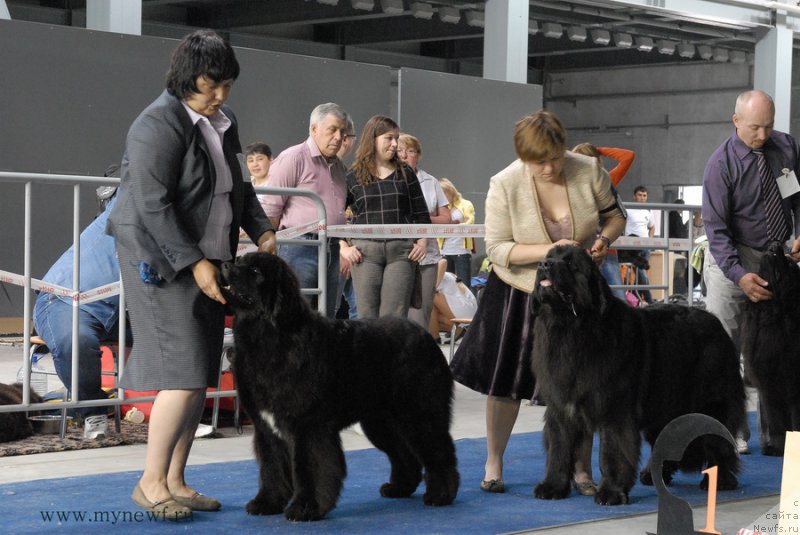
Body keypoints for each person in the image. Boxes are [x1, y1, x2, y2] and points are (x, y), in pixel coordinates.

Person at [106, 30, 276, 519]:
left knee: (199, 374)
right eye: (211, 85)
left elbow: (237, 185)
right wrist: (194, 262)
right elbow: (152, 205)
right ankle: (150, 482)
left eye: (227, 85)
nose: (220, 95)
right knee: (181, 373)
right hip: (161, 262)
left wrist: (260, 229)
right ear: (185, 78)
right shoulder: (155, 125)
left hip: (207, 258)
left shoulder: (223, 120)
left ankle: (176, 480)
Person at [449, 110, 626, 495]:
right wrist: (555, 249)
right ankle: (494, 463)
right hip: (517, 289)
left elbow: (615, 217)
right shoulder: (504, 183)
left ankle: (581, 470)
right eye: (538, 161)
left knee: (583, 382)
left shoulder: (589, 170)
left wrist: (603, 241)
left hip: (575, 295)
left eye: (555, 157)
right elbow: (497, 249)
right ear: (523, 157)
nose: (549, 167)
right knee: (505, 382)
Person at [702, 89, 800, 453]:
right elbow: (717, 231)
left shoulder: (787, 148)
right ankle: (728, 430)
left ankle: (775, 435)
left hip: (778, 260)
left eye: (769, 126)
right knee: (723, 352)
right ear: (736, 121)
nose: (763, 135)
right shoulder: (720, 165)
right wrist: (740, 275)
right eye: (755, 127)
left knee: (775, 352)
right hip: (732, 259)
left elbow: (798, 199)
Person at [33, 164, 132, 421]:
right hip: (65, 300)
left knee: (183, 337)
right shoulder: (128, 199)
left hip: (125, 309)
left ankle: (185, 412)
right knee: (77, 340)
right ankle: (92, 415)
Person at [339, 115, 431, 319]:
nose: (395, 144)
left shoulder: (405, 172)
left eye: (396, 138)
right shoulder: (352, 175)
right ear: (373, 139)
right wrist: (344, 247)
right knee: (367, 317)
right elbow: (337, 215)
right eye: (389, 138)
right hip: (364, 254)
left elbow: (421, 213)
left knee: (395, 319)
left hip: (401, 253)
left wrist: (422, 243)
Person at [263, 102, 350, 318]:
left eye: (342, 131)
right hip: (299, 248)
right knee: (293, 317)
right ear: (314, 129)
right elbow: (270, 211)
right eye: (332, 129)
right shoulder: (293, 158)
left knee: (326, 319)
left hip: (331, 249)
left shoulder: (340, 167)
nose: (339, 137)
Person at [398, 133, 450, 333]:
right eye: (399, 151)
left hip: (426, 257)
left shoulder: (430, 182)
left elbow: (446, 218)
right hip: (396, 254)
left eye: (409, 151)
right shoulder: (385, 179)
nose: (404, 155)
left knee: (420, 314)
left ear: (417, 156)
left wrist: (421, 219)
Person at [571, 144, 636, 301]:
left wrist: (596, 149)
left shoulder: (605, 180)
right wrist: (596, 152)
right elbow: (628, 156)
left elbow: (629, 155)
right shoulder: (604, 180)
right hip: (586, 250)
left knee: (615, 298)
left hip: (602, 250)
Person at [337, 118, 358, 319]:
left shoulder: (346, 172)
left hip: (354, 251)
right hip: (335, 250)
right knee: (329, 309)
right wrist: (342, 249)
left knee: (358, 310)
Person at [437, 178, 476, 288]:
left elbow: (470, 222)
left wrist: (453, 226)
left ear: (450, 191)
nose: (441, 197)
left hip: (461, 251)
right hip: (444, 251)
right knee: (445, 286)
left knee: (464, 286)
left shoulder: (466, 204)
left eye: (443, 193)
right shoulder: (441, 208)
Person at [429, 259, 477, 342]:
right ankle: (437, 337)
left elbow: (443, 261)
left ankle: (436, 337)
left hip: (464, 310)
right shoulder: (443, 274)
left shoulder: (435, 273)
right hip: (467, 310)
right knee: (428, 315)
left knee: (429, 297)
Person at [624, 185, 655, 303]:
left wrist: (650, 241)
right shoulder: (628, 210)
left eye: (644, 196)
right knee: (641, 272)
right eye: (640, 195)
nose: (642, 198)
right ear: (634, 196)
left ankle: (638, 300)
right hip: (631, 247)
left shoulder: (648, 211)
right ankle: (649, 300)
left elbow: (652, 227)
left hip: (645, 246)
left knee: (640, 274)